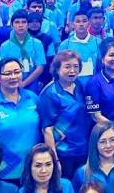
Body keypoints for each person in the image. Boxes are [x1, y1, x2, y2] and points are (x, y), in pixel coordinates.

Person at [0, 58, 42, 183]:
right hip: (5, 172)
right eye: (7, 73)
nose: (13, 77)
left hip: (35, 169)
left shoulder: (32, 98)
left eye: (17, 72)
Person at [39, 50, 92, 179]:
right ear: (57, 69)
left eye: (76, 66)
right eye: (67, 67)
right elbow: (47, 130)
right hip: (64, 153)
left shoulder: (80, 86)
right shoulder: (50, 94)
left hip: (84, 149)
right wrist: (54, 160)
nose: (72, 71)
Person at [0, 10, 47, 91]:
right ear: (12, 26)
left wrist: (24, 83)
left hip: (32, 83)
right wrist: (14, 82)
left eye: (24, 22)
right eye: (17, 22)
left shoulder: (37, 44)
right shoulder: (5, 46)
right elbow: (1, 68)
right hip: (11, 83)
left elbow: (40, 67)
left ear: (28, 25)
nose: (20, 25)